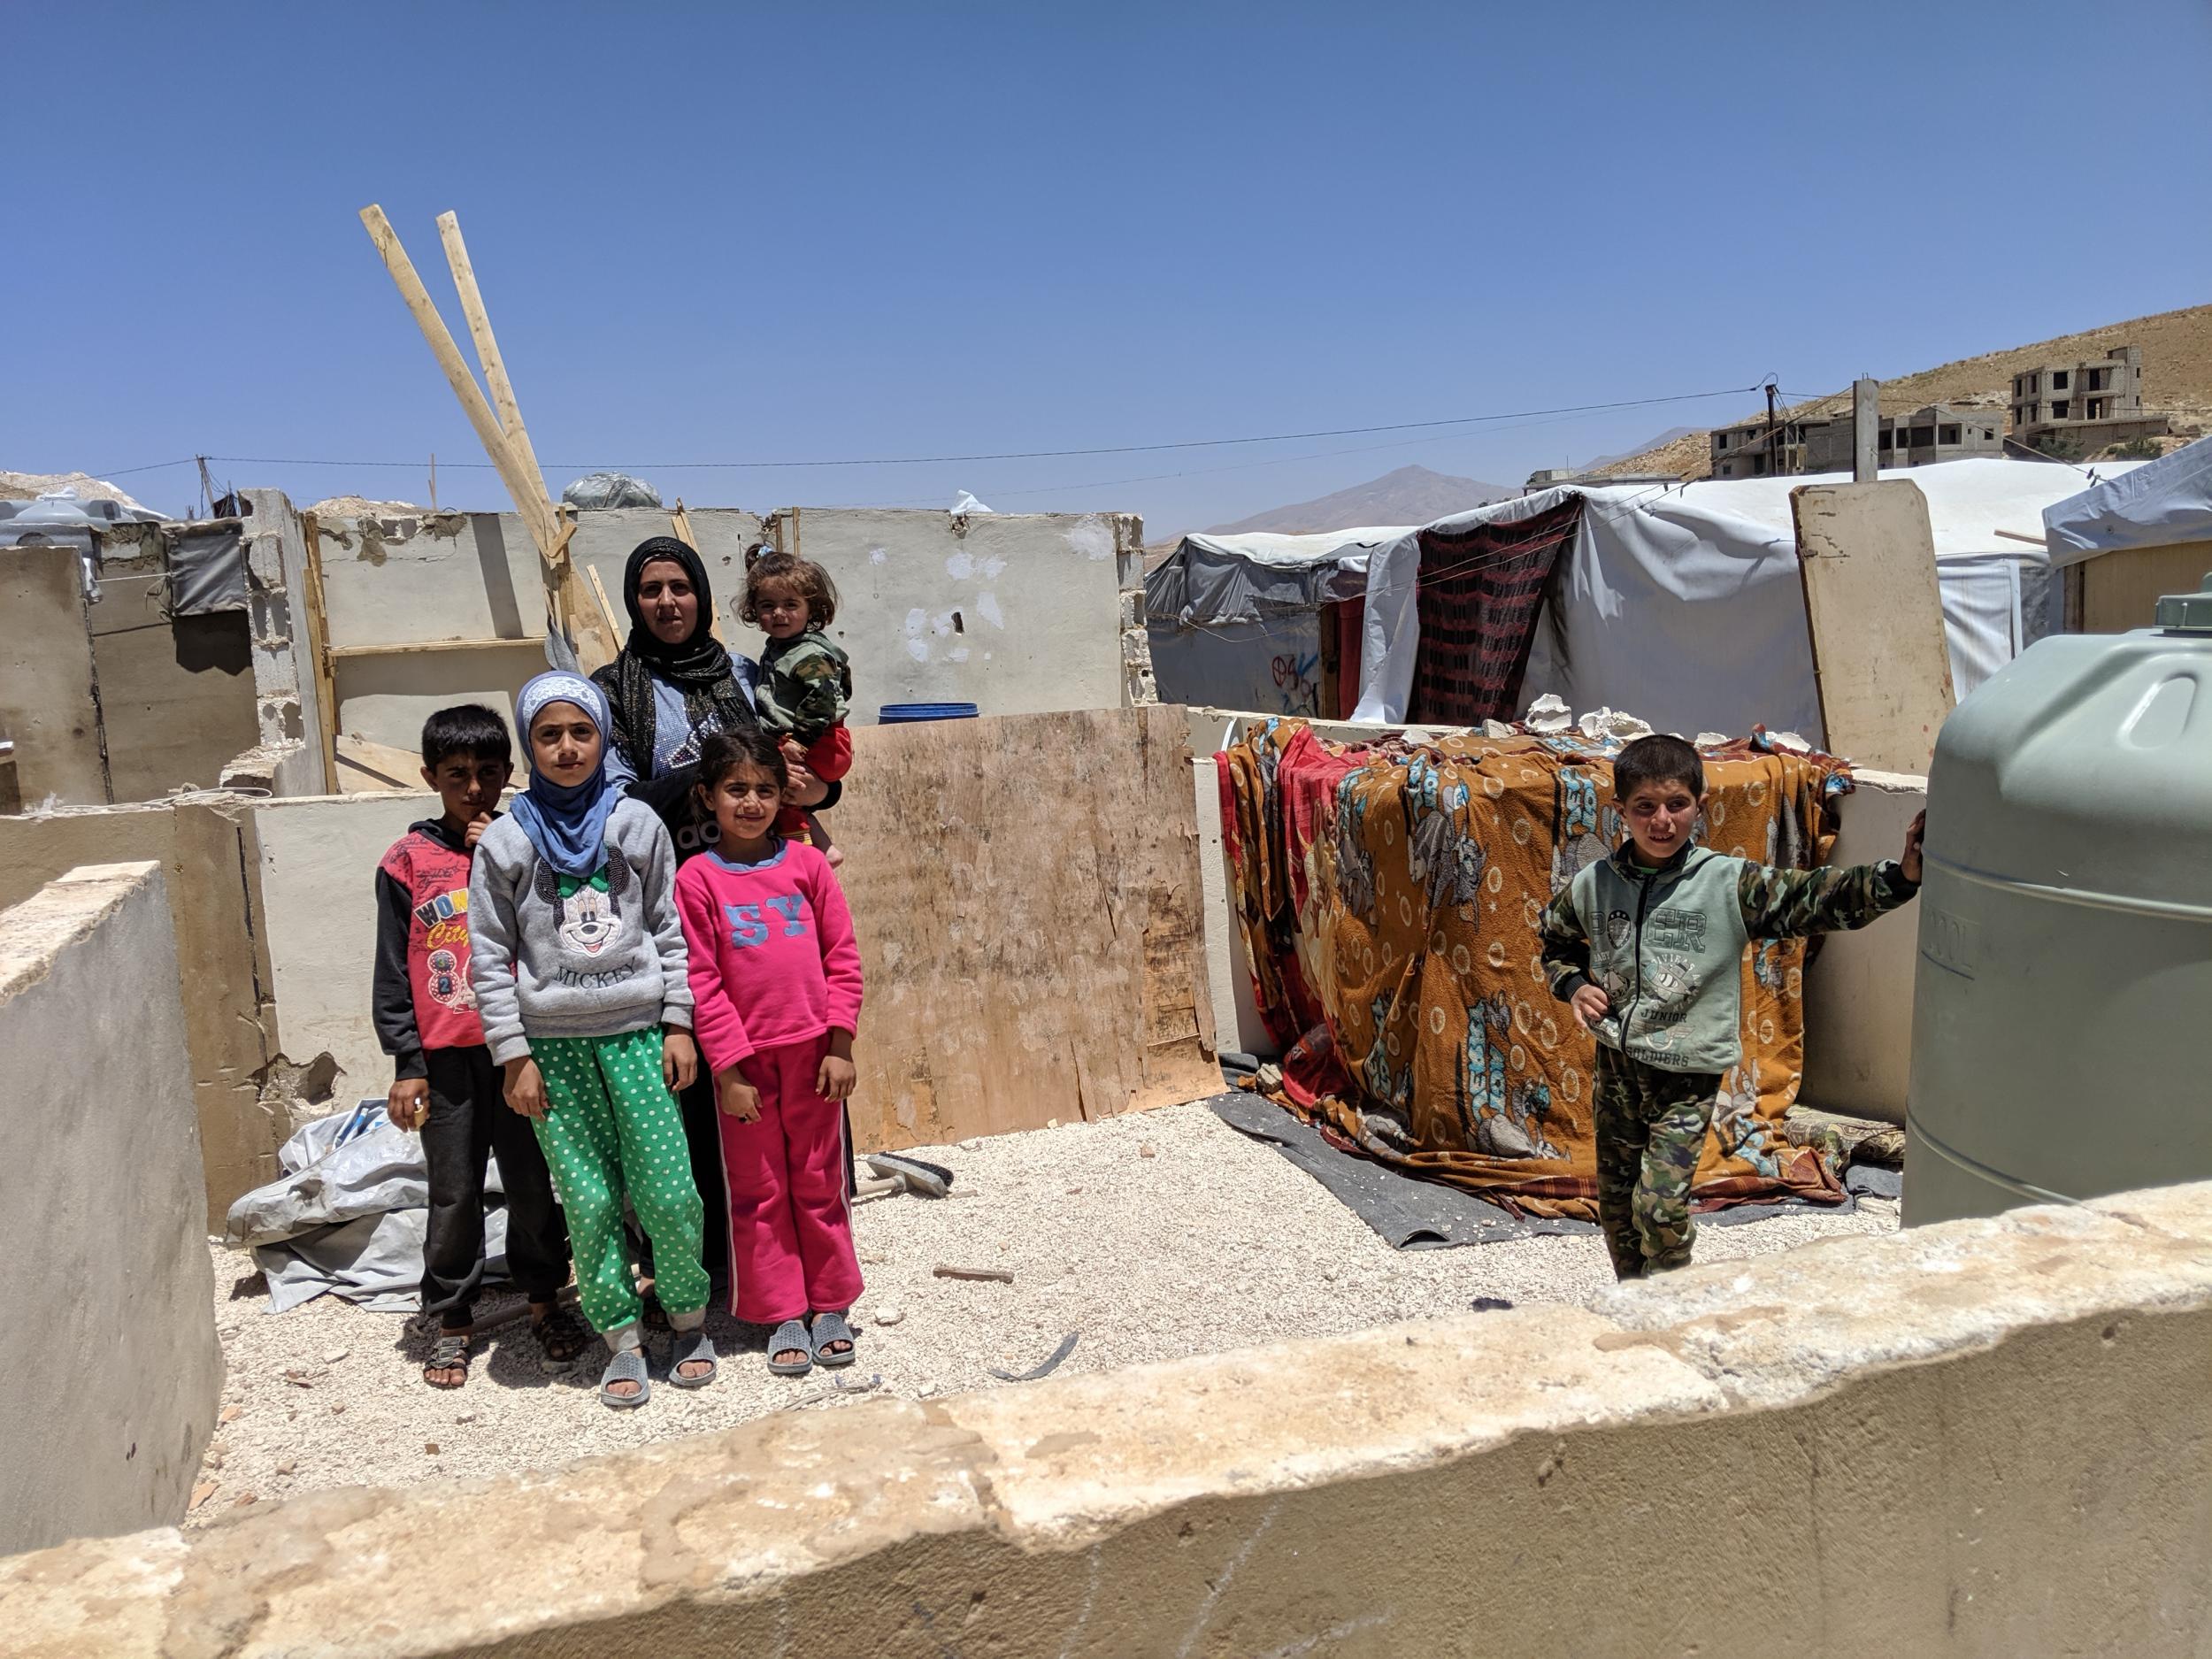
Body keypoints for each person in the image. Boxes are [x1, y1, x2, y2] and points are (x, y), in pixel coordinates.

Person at [1538, 733, 1924, 1281]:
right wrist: (1573, 983)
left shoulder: (1726, 884)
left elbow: (1816, 897)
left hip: (1687, 1074)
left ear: (1700, 804)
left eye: (1677, 804)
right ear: (1620, 810)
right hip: (1619, 1070)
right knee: (1619, 1207)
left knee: (1660, 1207)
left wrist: (1900, 877)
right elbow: (1553, 941)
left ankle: (1674, 1296)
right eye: (1644, 807)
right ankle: (1634, 1299)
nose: (1662, 820)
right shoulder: (1593, 886)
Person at [467, 672, 715, 1408]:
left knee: (669, 1192)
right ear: (528, 746)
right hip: (555, 1050)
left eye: (581, 731)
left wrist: (679, 1022)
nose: (568, 747)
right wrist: (512, 1054)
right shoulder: (507, 841)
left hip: (639, 1037)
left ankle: (689, 1318)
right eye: (549, 734)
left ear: (604, 736)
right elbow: (487, 953)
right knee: (589, 1197)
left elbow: (671, 929)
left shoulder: (636, 823)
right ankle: (622, 1335)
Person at [372, 704, 589, 1387]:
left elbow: (565, 917)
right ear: (430, 775)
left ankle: (544, 1298)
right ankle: (453, 1316)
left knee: (530, 1183)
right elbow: (391, 966)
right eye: (457, 774)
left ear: (507, 775)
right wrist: (407, 1063)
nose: (473, 788)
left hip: (521, 1050)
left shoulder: (527, 838)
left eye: (488, 773)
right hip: (447, 1058)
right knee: (454, 1189)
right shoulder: (407, 861)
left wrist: (504, 847)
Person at [675, 728, 864, 1377]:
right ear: (707, 797)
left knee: (818, 1181)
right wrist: (726, 1071)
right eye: (735, 789)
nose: (751, 802)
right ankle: (781, 1307)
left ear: (783, 796)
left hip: (815, 1059)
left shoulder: (809, 867)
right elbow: (701, 980)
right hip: (747, 1067)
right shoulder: (696, 879)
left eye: (764, 789)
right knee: (758, 1190)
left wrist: (840, 1044)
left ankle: (830, 1301)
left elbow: (843, 958)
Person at [740, 549, 854, 856]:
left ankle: (800, 856)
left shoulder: (807, 654)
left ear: (811, 609)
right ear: (754, 611)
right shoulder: (783, 648)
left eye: (791, 605)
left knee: (778, 784)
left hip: (816, 740)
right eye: (768, 606)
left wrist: (799, 742)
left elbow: (824, 698)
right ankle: (826, 849)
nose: (779, 613)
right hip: (812, 737)